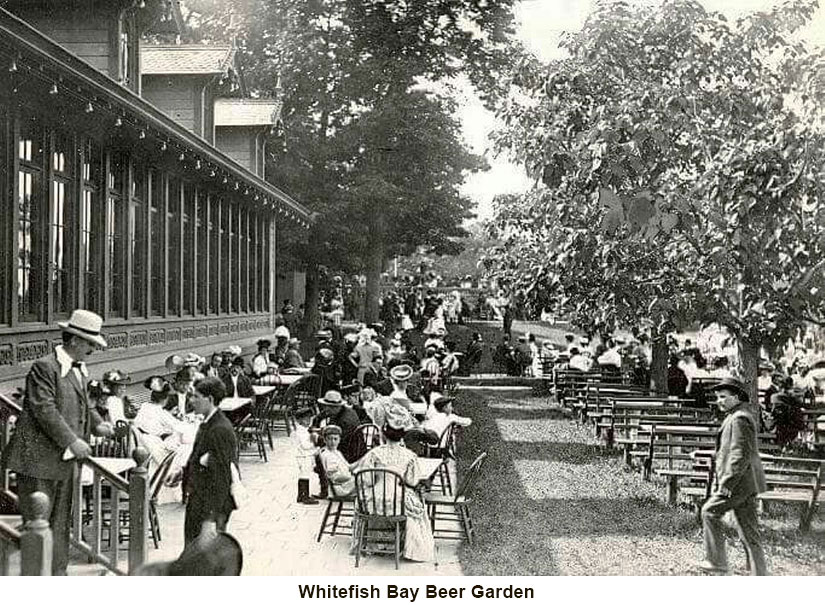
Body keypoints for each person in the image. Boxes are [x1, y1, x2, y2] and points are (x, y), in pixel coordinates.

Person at [4, 309, 114, 575]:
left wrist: (98, 422)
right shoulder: (44, 367)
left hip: (64, 461)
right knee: (38, 526)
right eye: (90, 344)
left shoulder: (79, 370)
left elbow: (84, 404)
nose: (92, 350)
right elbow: (45, 409)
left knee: (61, 523)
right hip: (38, 461)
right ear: (74, 340)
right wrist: (73, 441)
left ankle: (57, 576)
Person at [698, 377, 768, 575]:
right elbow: (729, 450)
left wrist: (727, 484)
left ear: (736, 397)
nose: (719, 401)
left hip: (738, 483)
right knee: (749, 532)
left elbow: (740, 454)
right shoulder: (735, 416)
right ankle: (759, 573)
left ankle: (716, 561)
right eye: (717, 397)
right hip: (746, 483)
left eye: (723, 397)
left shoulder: (739, 418)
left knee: (709, 512)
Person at [357, 406, 435, 562]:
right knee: (415, 509)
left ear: (384, 434)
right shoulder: (409, 455)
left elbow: (366, 479)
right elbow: (412, 481)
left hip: (374, 501)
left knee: (366, 499)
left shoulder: (374, 453)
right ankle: (411, 549)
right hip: (396, 501)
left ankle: (376, 543)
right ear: (402, 437)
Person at [175, 377, 238, 545]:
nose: (191, 400)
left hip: (209, 508)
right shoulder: (207, 423)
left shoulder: (219, 430)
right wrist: (183, 473)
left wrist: (211, 519)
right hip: (199, 501)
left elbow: (221, 478)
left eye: (196, 396)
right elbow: (199, 459)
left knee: (204, 560)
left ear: (209, 399)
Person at [318, 425, 356, 496]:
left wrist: (362, 462)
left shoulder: (337, 452)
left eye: (335, 439)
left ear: (339, 440)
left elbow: (349, 467)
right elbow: (334, 477)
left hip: (346, 484)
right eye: (329, 439)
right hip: (341, 488)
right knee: (368, 483)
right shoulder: (327, 454)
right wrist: (351, 478)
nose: (332, 442)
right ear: (325, 440)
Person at [292, 407, 320, 505]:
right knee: (305, 476)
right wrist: (314, 443)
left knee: (303, 475)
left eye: (309, 419)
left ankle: (300, 495)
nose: (309, 421)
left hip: (304, 455)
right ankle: (305, 496)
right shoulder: (302, 432)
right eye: (306, 419)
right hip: (304, 456)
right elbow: (305, 445)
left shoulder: (304, 429)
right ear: (299, 420)